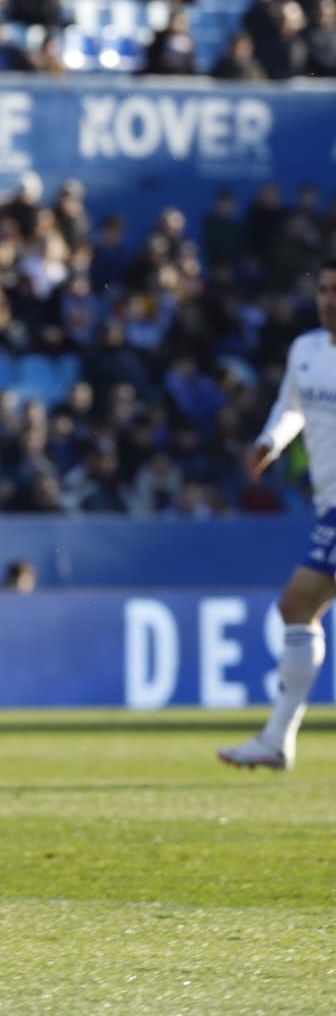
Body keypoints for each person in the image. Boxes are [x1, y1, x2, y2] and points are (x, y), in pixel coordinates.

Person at [219, 257, 336, 771]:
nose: (330, 300)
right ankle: (276, 739)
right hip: (329, 502)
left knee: (297, 603)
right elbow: (291, 405)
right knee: (298, 609)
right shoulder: (307, 350)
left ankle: (276, 738)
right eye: (326, 289)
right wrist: (271, 439)